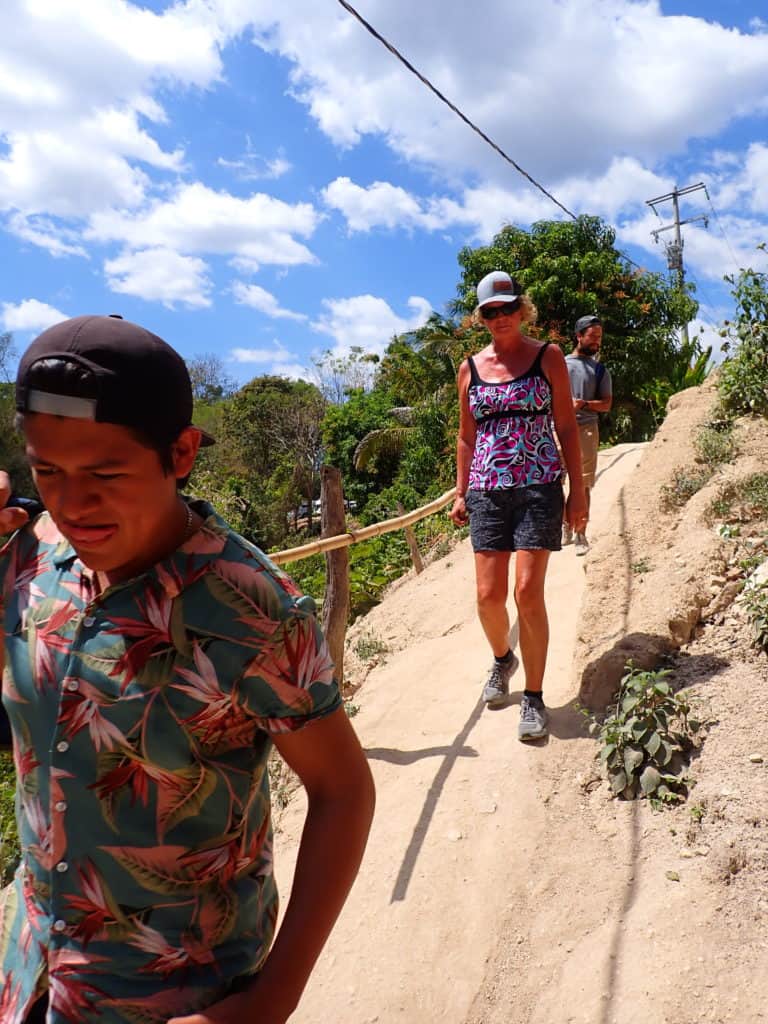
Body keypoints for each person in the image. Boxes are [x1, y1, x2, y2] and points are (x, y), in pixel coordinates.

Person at [0, 315, 375, 1024]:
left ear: (181, 453)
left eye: (105, 474)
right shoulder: (27, 561)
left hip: (172, 994)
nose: (71, 505)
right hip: (30, 970)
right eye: (47, 471)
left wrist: (271, 1002)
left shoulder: (252, 610)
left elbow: (343, 790)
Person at [448, 271, 587, 741]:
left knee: (527, 592)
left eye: (508, 308)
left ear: (521, 309)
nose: (501, 317)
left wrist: (579, 491)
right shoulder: (469, 368)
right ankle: (503, 659)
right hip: (487, 491)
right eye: (491, 311)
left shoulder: (548, 357)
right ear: (481, 317)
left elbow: (567, 427)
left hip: (539, 486)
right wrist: (462, 490)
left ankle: (534, 696)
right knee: (488, 597)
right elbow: (467, 437)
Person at [562, 314, 613, 556]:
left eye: (599, 337)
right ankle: (563, 527)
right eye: (592, 336)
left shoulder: (600, 370)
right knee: (553, 483)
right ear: (579, 336)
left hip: (587, 429)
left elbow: (606, 404)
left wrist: (583, 404)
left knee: (582, 484)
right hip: (556, 429)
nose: (596, 342)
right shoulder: (558, 364)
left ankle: (581, 533)